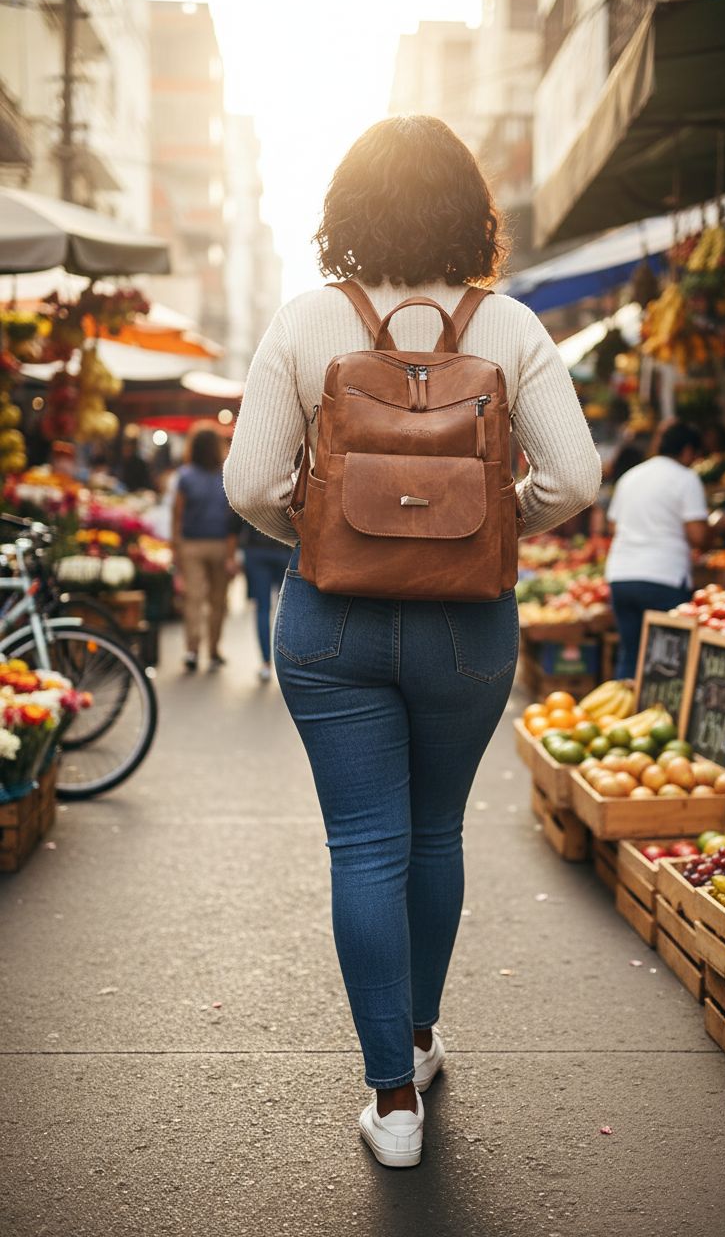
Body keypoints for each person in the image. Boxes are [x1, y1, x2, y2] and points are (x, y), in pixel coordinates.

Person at [224, 115, 600, 1167]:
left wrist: (320, 527)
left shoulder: (306, 323)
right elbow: (575, 478)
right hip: (467, 631)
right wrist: (486, 526)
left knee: (364, 846)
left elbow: (249, 483)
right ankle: (424, 1033)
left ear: (346, 210)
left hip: (329, 623)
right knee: (434, 836)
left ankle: (392, 1099)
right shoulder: (512, 328)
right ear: (469, 213)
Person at [606, 419, 725, 678]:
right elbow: (698, 536)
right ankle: (662, 715)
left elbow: (613, 528)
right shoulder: (686, 478)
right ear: (687, 451)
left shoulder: (631, 476)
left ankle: (625, 715)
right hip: (663, 578)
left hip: (621, 576)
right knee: (668, 663)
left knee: (631, 655)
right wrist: (718, 527)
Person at [173, 423, 240, 673]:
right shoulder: (226, 474)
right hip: (222, 544)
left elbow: (177, 514)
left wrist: (175, 545)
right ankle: (213, 650)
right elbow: (234, 512)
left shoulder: (185, 475)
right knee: (218, 601)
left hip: (191, 544)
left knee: (194, 599)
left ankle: (192, 650)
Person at [239, 523, 293, 682]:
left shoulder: (250, 496)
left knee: (262, 608)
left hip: (257, 549)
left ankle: (265, 663)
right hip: (285, 548)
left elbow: (236, 520)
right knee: (288, 609)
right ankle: (288, 665)